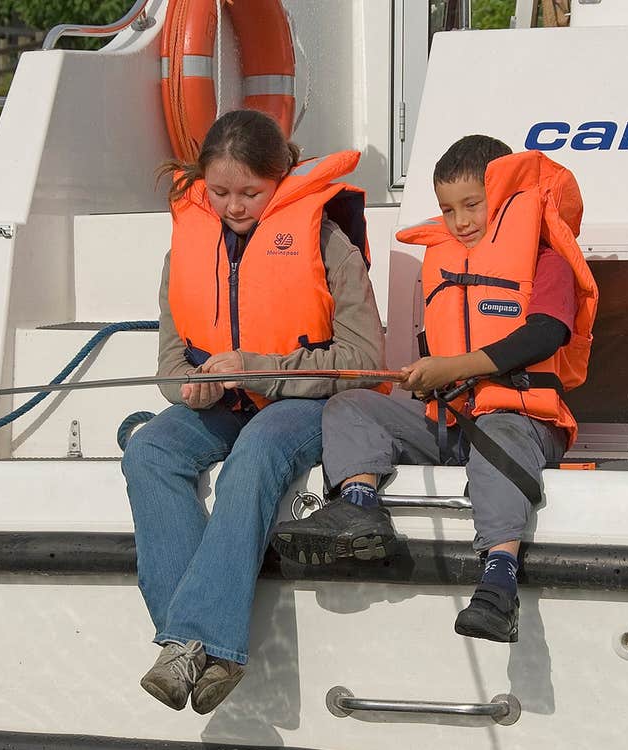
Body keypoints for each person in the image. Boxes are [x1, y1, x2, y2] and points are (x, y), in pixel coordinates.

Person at [269, 135, 598, 643]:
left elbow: (546, 333)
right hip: (448, 423)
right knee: (352, 405)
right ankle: (357, 508)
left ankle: (498, 583)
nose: (461, 220)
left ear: (506, 198)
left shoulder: (544, 260)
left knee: (498, 436)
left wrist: (454, 367)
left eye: (473, 205)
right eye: (448, 209)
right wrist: (428, 380)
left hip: (523, 422)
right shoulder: (444, 265)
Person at [121, 109, 384, 713]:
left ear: (283, 177)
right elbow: (169, 360)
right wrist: (188, 388)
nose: (234, 207)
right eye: (219, 193)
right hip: (222, 404)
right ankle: (193, 646)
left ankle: (201, 642)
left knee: (259, 446)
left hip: (306, 406)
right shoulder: (186, 248)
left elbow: (366, 360)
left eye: (250, 193)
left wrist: (260, 369)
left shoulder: (327, 242)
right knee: (151, 447)